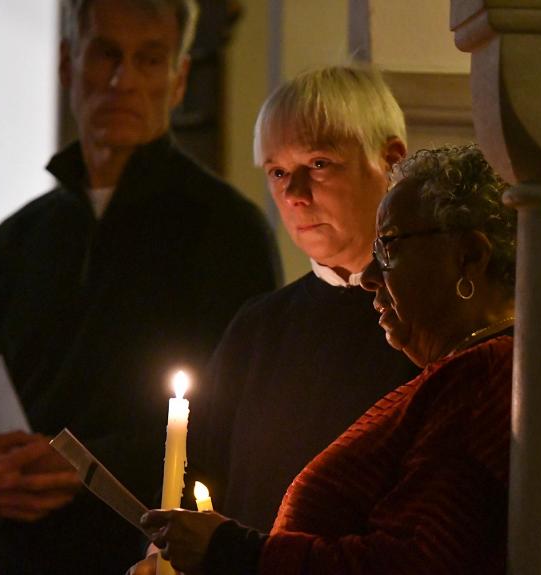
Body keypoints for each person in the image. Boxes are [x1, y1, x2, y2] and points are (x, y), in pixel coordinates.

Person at [0, 1, 280, 573]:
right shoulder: (19, 238)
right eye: (106, 54)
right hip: (20, 556)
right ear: (69, 64)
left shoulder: (228, 230)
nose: (124, 80)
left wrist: (83, 466)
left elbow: (240, 427)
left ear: (179, 80)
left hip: (148, 559)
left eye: (148, 59)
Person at [131, 144, 517, 575]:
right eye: (276, 171)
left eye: (388, 246)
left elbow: (412, 563)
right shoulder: (464, 373)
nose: (370, 277)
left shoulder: (485, 378)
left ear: (470, 257)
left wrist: (233, 551)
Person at [176, 65, 422, 533]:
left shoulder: (432, 322)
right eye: (278, 171)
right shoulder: (257, 329)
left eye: (318, 164)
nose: (294, 194)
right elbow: (201, 480)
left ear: (391, 161)